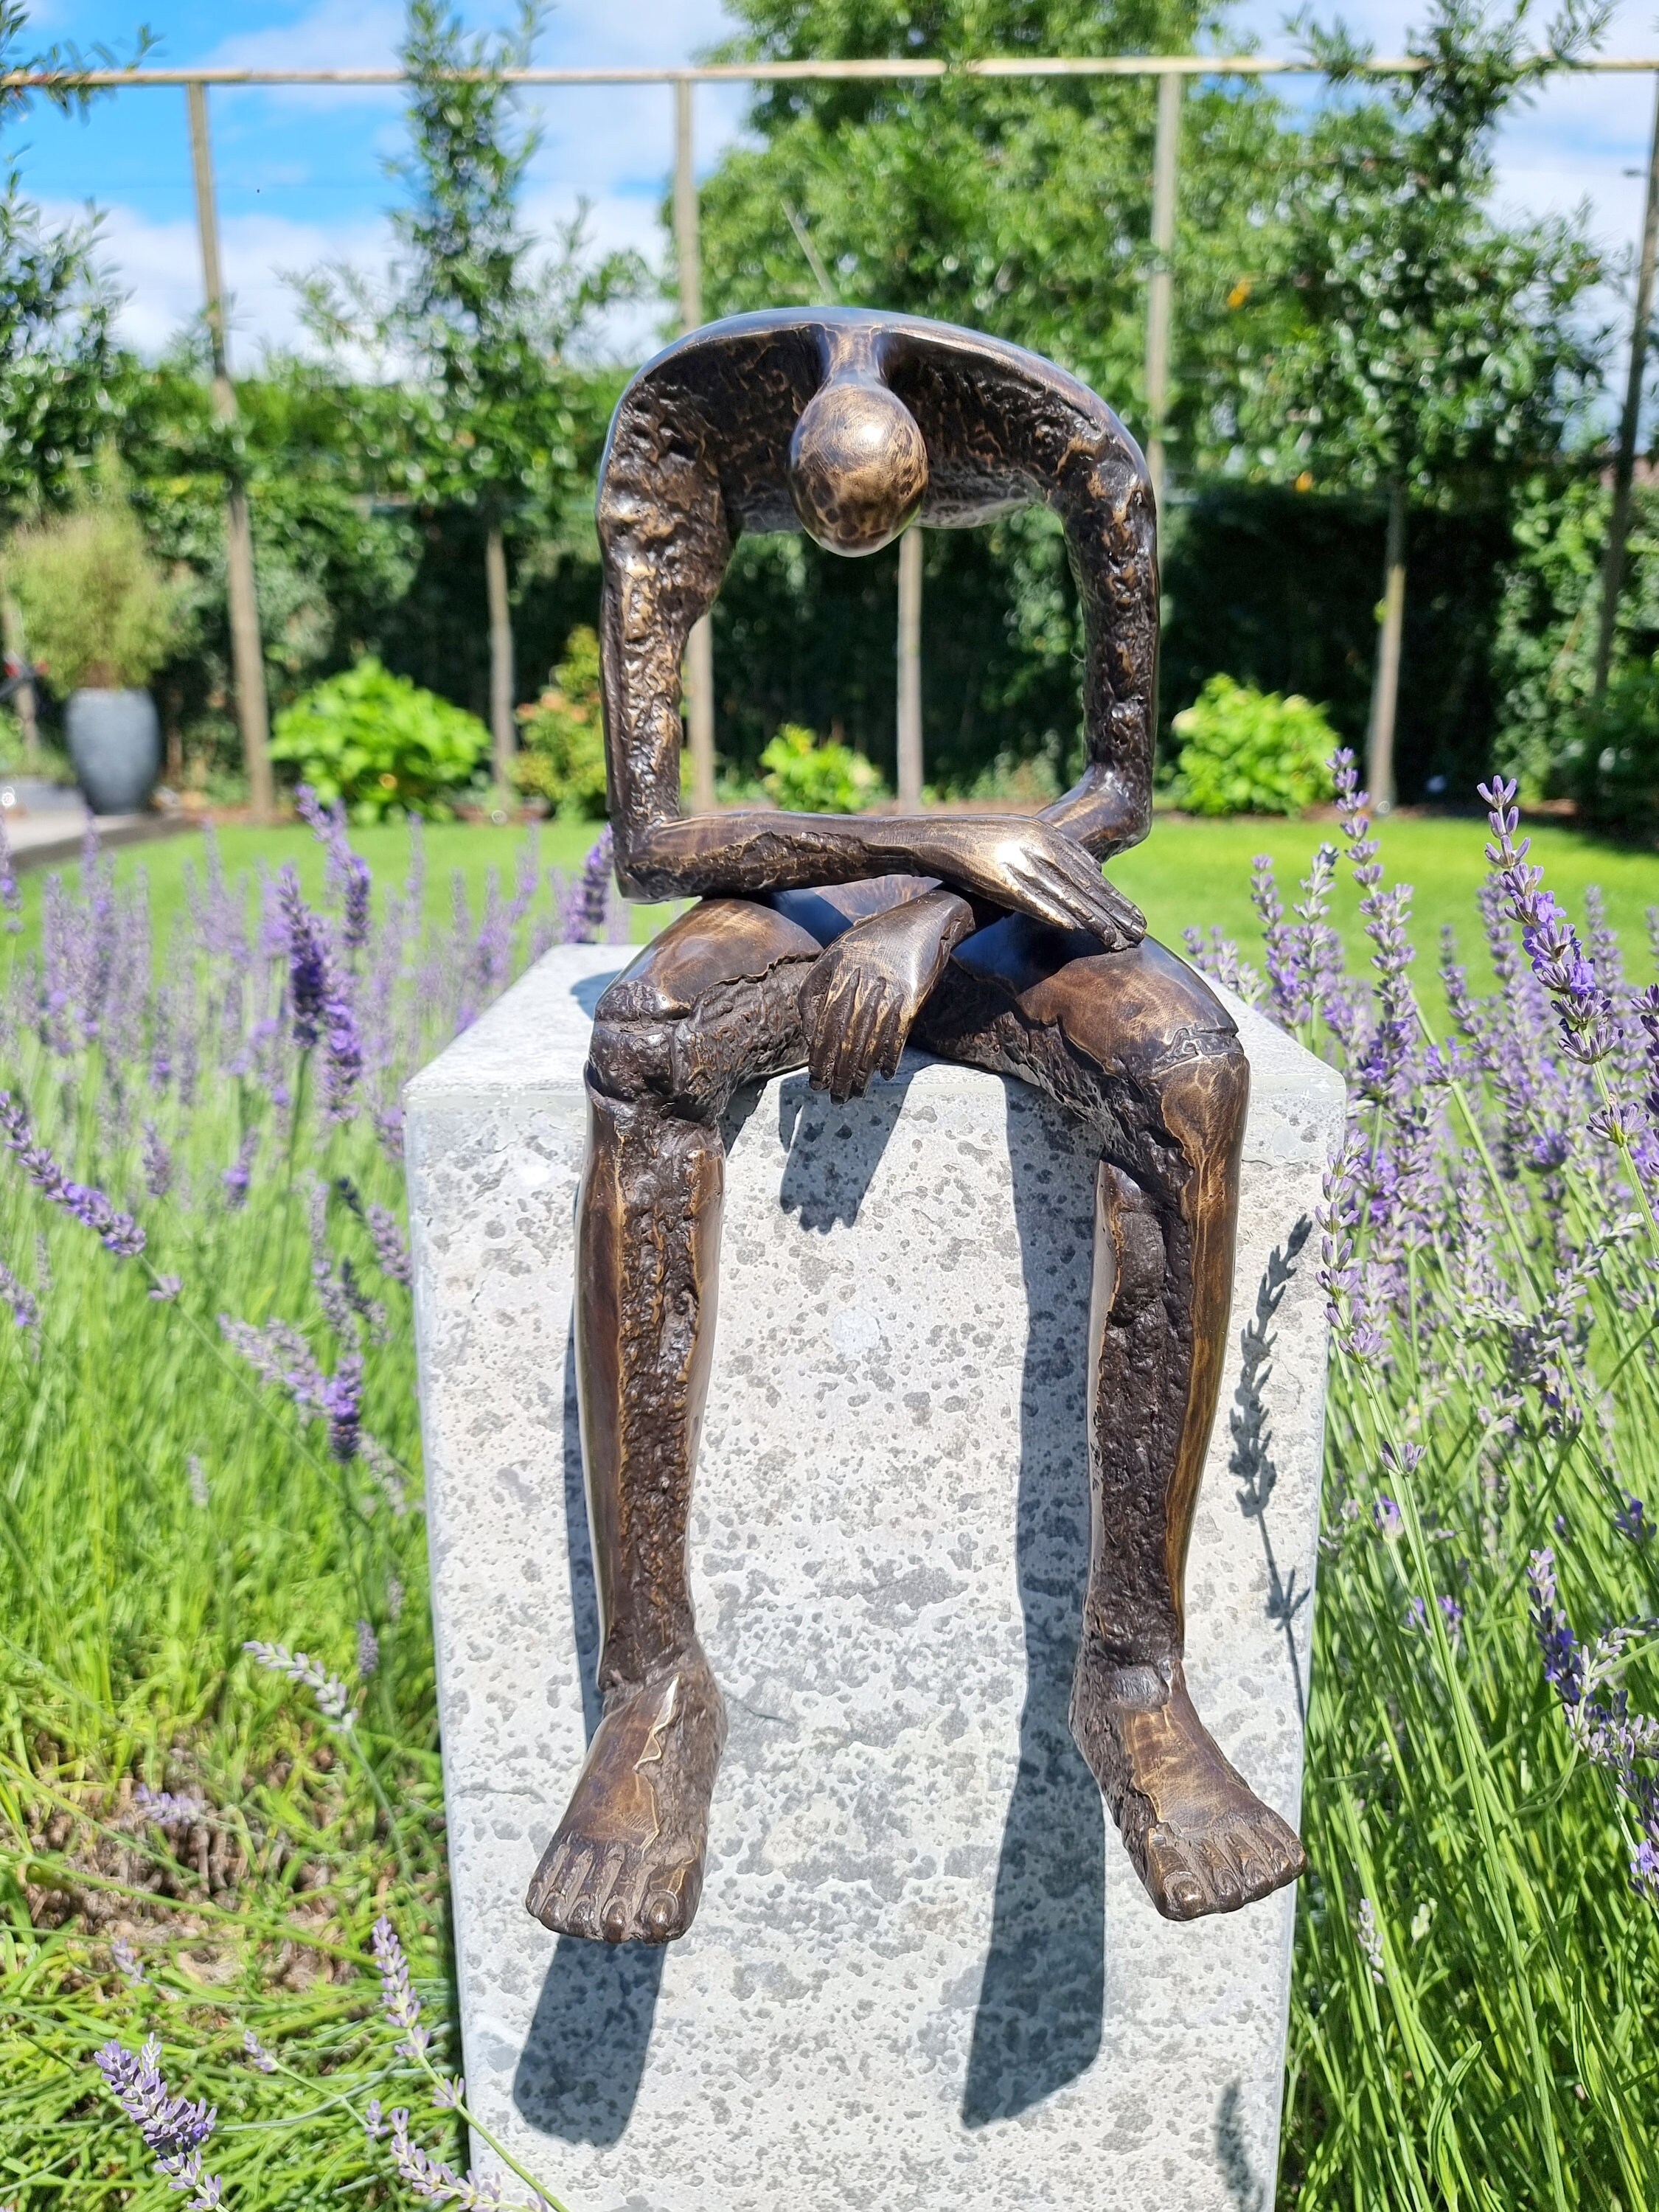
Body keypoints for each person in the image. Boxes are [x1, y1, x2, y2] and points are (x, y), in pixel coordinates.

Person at [525, 309, 1305, 1944]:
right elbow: (660, 837)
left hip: (989, 900)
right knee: (650, 1042)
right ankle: (655, 1685)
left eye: (887, 523)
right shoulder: (674, 439)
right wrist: (940, 844)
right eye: (821, 530)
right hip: (840, 887)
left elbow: (1116, 790)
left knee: (1187, 1074)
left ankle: (1135, 1671)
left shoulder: (1085, 455)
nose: (852, 552)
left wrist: (928, 912)